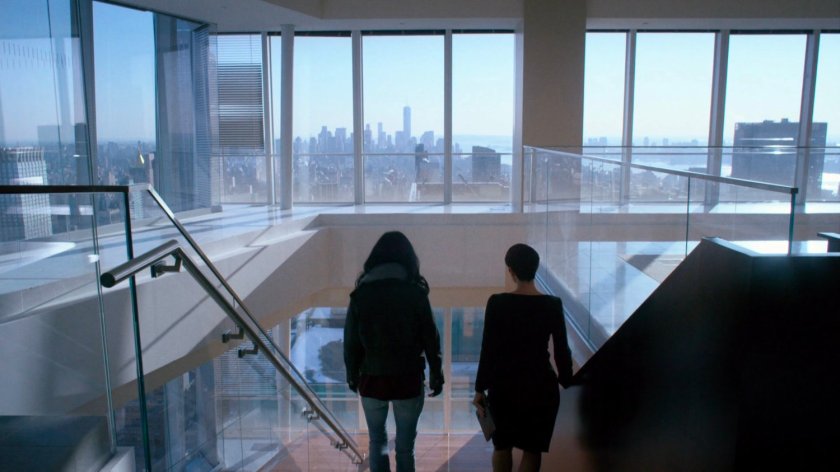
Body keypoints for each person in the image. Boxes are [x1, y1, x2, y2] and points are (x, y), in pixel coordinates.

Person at [344, 231, 444, 472]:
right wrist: (436, 373)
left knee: (378, 441)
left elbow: (350, 341)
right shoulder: (416, 293)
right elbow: (431, 337)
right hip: (408, 378)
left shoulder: (361, 295)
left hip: (371, 379)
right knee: (405, 447)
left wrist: (352, 375)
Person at [473, 243, 573, 472]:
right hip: (540, 387)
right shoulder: (552, 305)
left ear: (511, 271)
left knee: (502, 447)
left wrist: (480, 389)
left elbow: (488, 349)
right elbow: (561, 350)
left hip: (504, 387)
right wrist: (567, 380)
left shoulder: (497, 303)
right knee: (532, 449)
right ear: (536, 269)